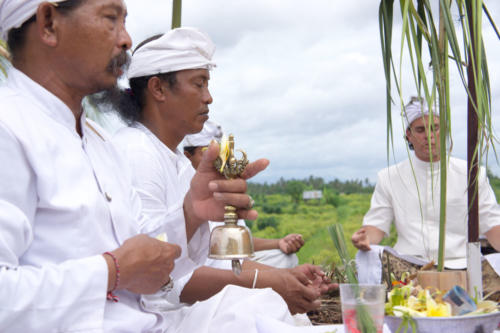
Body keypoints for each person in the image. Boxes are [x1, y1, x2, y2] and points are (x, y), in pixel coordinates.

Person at [0, 1, 269, 332]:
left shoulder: (98, 142)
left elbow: (148, 268)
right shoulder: (8, 127)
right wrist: (111, 272)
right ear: (48, 23)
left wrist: (191, 214)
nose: (126, 39)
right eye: (111, 19)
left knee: (260, 310)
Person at [103, 28, 334, 315]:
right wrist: (273, 285)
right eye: (199, 84)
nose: (209, 98)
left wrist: (287, 278)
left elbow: (211, 263)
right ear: (158, 89)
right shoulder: (136, 153)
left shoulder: (172, 158)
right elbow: (162, 282)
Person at [351, 96, 500, 271]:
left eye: (434, 128)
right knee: (368, 255)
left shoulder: (472, 173)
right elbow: (377, 224)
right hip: (407, 264)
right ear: (409, 135)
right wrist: (364, 239)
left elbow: (491, 222)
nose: (428, 136)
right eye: (420, 130)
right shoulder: (389, 177)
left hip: (462, 263)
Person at [183, 119, 304, 269]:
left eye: (221, 153)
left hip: (237, 262)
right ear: (187, 156)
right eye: (207, 153)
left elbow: (236, 241)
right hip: (207, 269)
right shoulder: (183, 189)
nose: (217, 161)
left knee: (285, 259)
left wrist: (278, 243)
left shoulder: (224, 186)